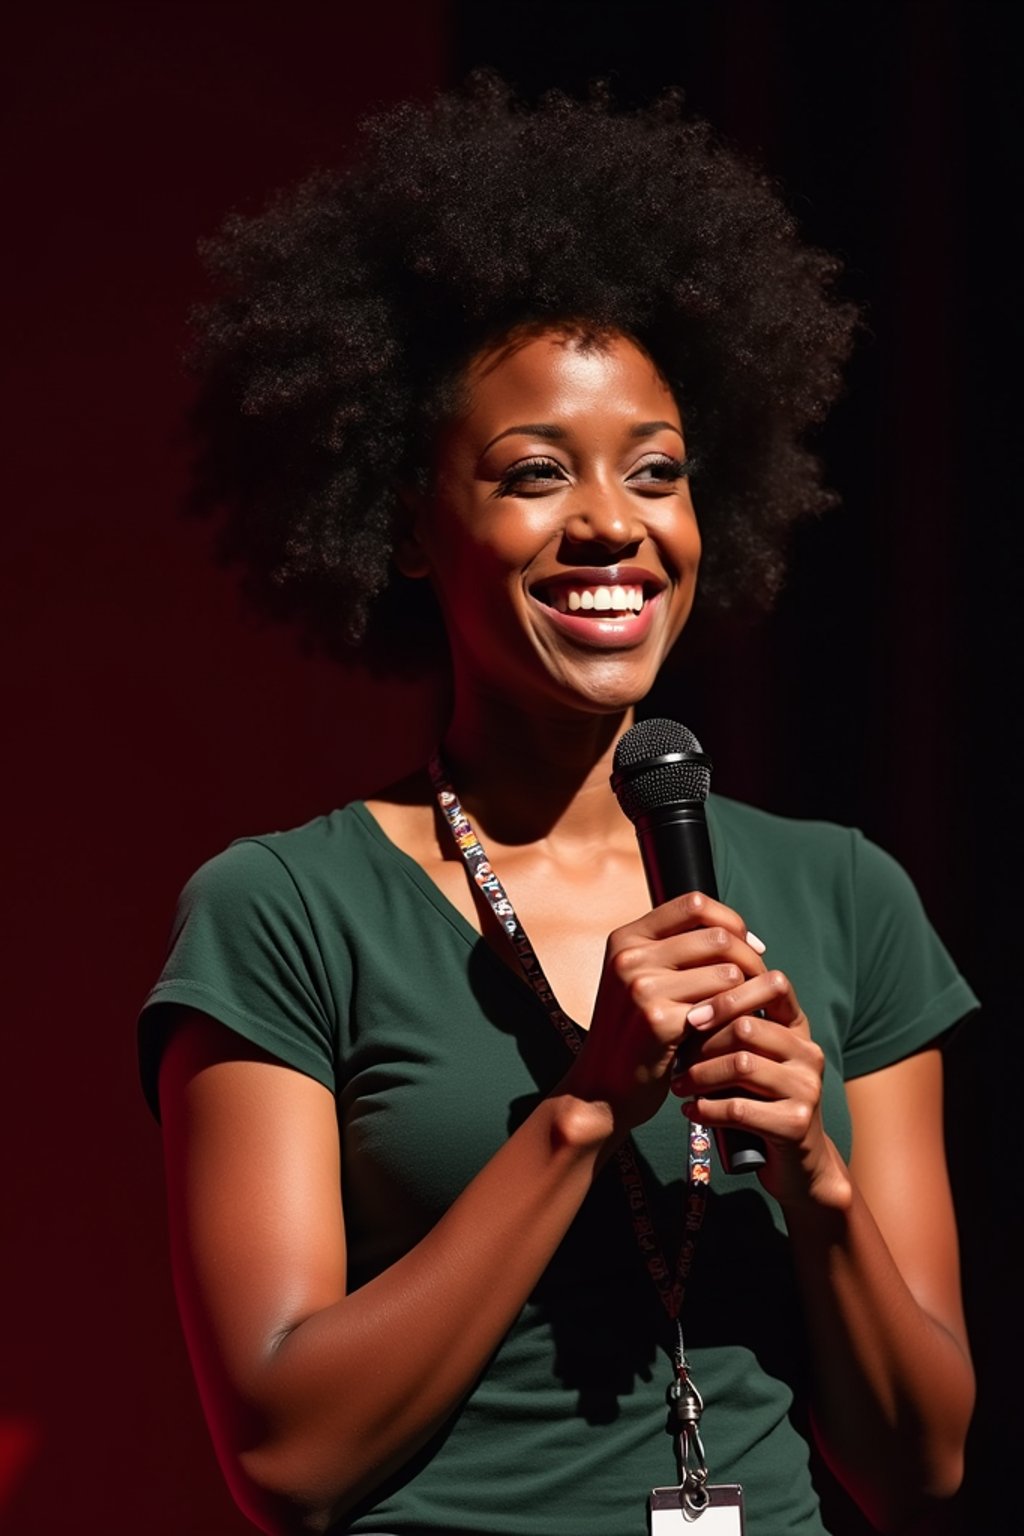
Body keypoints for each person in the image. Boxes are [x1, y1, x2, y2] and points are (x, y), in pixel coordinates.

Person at [140, 76, 977, 1536]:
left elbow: (926, 1468)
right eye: (536, 474)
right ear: (406, 520)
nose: (613, 523)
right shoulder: (282, 912)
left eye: (657, 473)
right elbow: (284, 1460)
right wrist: (585, 1105)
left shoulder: (849, 896)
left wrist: (819, 1183)